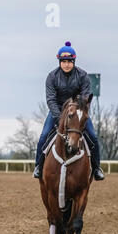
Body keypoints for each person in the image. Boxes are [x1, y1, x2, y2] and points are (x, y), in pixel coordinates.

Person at [33, 41, 105, 181]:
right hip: (57, 113)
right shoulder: (52, 77)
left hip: (77, 113)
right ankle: (38, 166)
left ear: (74, 61)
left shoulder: (83, 76)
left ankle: (96, 168)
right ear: (59, 62)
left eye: (69, 61)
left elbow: (84, 99)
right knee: (43, 136)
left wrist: (76, 113)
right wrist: (60, 117)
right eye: (63, 61)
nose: (66, 64)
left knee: (93, 137)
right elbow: (51, 100)